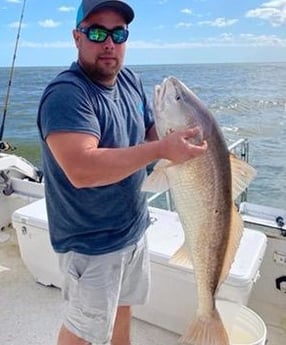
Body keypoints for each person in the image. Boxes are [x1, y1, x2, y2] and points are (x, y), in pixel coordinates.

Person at [37, 1, 207, 344]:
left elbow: (147, 134)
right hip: (92, 242)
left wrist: (183, 133)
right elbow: (82, 170)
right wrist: (162, 150)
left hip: (132, 226)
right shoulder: (67, 95)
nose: (109, 43)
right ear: (77, 37)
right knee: (82, 332)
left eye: (119, 33)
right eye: (97, 32)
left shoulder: (130, 80)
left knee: (123, 309)